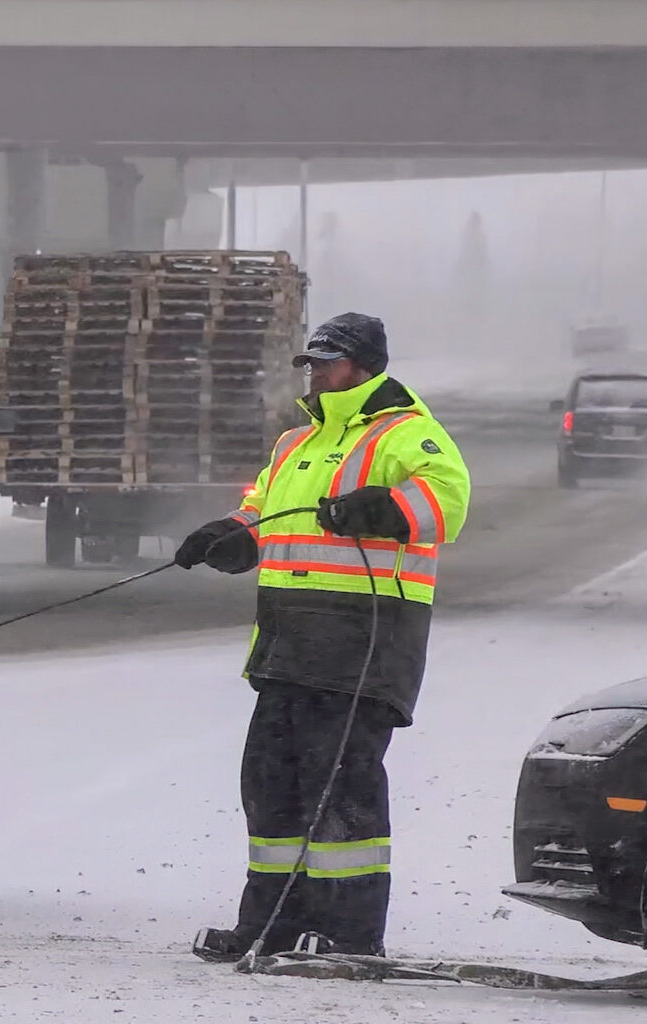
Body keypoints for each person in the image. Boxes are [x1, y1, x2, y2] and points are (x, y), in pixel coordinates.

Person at [174, 312, 471, 962]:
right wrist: (230, 535)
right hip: (290, 644)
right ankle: (271, 928)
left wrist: (382, 507)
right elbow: (264, 509)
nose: (313, 373)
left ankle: (351, 937)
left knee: (341, 791)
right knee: (271, 786)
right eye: (309, 363)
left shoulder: (405, 431)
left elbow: (448, 499)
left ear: (362, 367)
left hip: (363, 644)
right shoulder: (295, 443)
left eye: (326, 362)